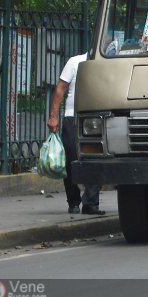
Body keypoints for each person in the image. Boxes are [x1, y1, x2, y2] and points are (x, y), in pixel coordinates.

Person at [47, 52, 105, 215]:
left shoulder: (105, 62)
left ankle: (91, 203)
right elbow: (60, 88)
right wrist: (53, 116)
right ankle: (73, 201)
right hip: (72, 117)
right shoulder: (75, 61)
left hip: (95, 118)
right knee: (71, 160)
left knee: (95, 159)